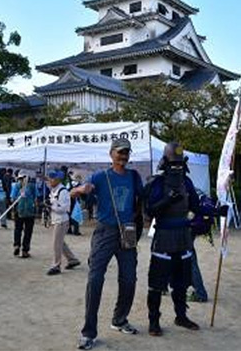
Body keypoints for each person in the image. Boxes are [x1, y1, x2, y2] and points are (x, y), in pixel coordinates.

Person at [71, 138, 143, 350]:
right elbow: (77, 192)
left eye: (126, 153)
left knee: (129, 279)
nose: (123, 156)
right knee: (95, 280)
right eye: (120, 152)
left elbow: (143, 198)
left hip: (127, 231)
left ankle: (119, 319)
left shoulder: (134, 176)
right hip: (104, 232)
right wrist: (81, 190)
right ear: (111, 154)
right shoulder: (101, 177)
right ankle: (88, 333)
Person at [144, 142, 201, 336]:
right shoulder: (157, 182)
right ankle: (153, 320)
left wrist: (214, 210)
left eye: (179, 163)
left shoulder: (187, 182)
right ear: (165, 162)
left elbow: (195, 205)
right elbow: (149, 211)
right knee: (156, 283)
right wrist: (167, 200)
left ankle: (181, 316)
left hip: (184, 237)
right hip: (163, 237)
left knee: (181, 282)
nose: (176, 167)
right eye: (173, 162)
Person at [45, 169, 80, 276]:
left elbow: (64, 208)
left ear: (57, 179)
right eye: (49, 178)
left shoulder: (63, 191)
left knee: (56, 243)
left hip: (61, 220)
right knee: (60, 242)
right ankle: (72, 259)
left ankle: (56, 265)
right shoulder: (54, 190)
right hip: (56, 219)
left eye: (52, 178)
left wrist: (50, 206)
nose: (50, 180)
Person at [14, 174, 37, 258]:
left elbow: (12, 197)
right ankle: (25, 250)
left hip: (19, 210)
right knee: (28, 231)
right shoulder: (32, 186)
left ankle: (17, 245)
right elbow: (36, 197)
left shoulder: (16, 186)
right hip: (30, 211)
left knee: (18, 229)